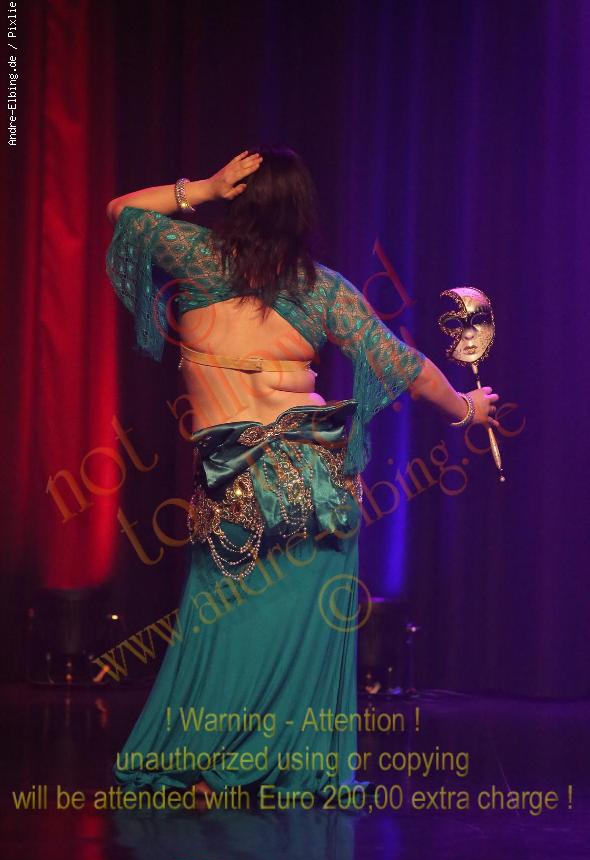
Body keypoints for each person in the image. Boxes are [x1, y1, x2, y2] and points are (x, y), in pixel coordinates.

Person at [105, 145, 499, 803]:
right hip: (314, 483)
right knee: (297, 630)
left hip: (235, 484)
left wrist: (203, 188)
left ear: (242, 200)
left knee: (221, 625)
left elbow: (122, 211)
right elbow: (403, 365)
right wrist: (466, 409)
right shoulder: (321, 289)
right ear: (300, 212)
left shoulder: (199, 258)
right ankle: (282, 766)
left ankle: (206, 763)